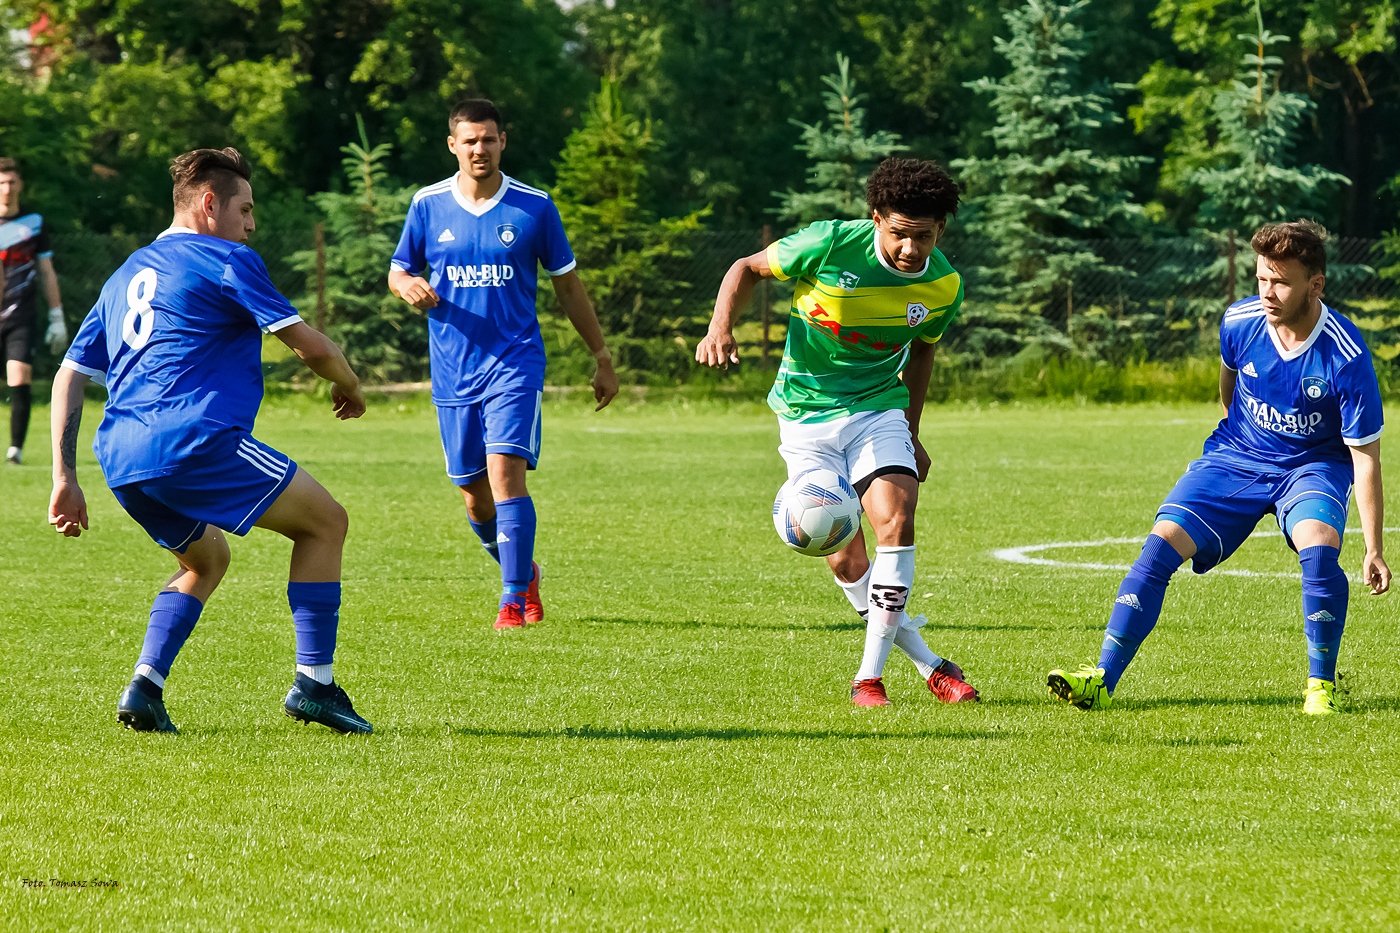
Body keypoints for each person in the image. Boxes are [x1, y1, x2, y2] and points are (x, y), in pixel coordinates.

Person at [50, 147, 374, 735]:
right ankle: (315, 685)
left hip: (122, 456)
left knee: (205, 559)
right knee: (325, 522)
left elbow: (69, 374)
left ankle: (145, 686)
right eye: (245, 210)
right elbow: (313, 347)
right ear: (208, 204)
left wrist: (63, 476)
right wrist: (350, 385)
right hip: (194, 439)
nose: (251, 225)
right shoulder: (224, 256)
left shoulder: (126, 272)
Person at [1047, 221, 1390, 716]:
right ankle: (1102, 678)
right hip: (1238, 454)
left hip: (1313, 465)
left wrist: (1374, 549)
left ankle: (1321, 686)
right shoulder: (1239, 321)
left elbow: (1365, 456)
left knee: (1319, 551)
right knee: (1161, 542)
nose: (1268, 293)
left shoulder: (1345, 353)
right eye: (1261, 279)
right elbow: (1228, 391)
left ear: (1315, 284)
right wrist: (1236, 444)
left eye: (1281, 282)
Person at [696, 157, 978, 707]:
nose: (910, 250)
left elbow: (922, 354)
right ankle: (931, 665)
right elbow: (745, 267)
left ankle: (868, 680)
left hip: (879, 408)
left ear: (940, 230)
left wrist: (912, 433)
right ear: (876, 218)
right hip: (805, 416)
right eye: (899, 234)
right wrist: (720, 325)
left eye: (924, 237)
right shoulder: (826, 245)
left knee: (895, 520)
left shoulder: (943, 285)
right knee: (844, 557)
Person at [388, 98, 619, 630]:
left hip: (515, 364)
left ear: (502, 142)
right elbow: (399, 269)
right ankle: (524, 570)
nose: (479, 149)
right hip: (452, 368)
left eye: (488, 139)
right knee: (474, 497)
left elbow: (567, 285)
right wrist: (407, 287)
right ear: (453, 145)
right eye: (469, 140)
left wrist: (601, 356)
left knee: (505, 474)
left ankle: (513, 598)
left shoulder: (533, 207)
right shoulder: (427, 206)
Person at [0, 157, 66, 464]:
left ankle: (15, 449)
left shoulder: (33, 223)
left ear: (20, 185)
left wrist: (57, 316)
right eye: (2, 182)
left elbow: (46, 270)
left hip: (20, 315)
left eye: (11, 182)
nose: (7, 189)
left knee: (20, 377)